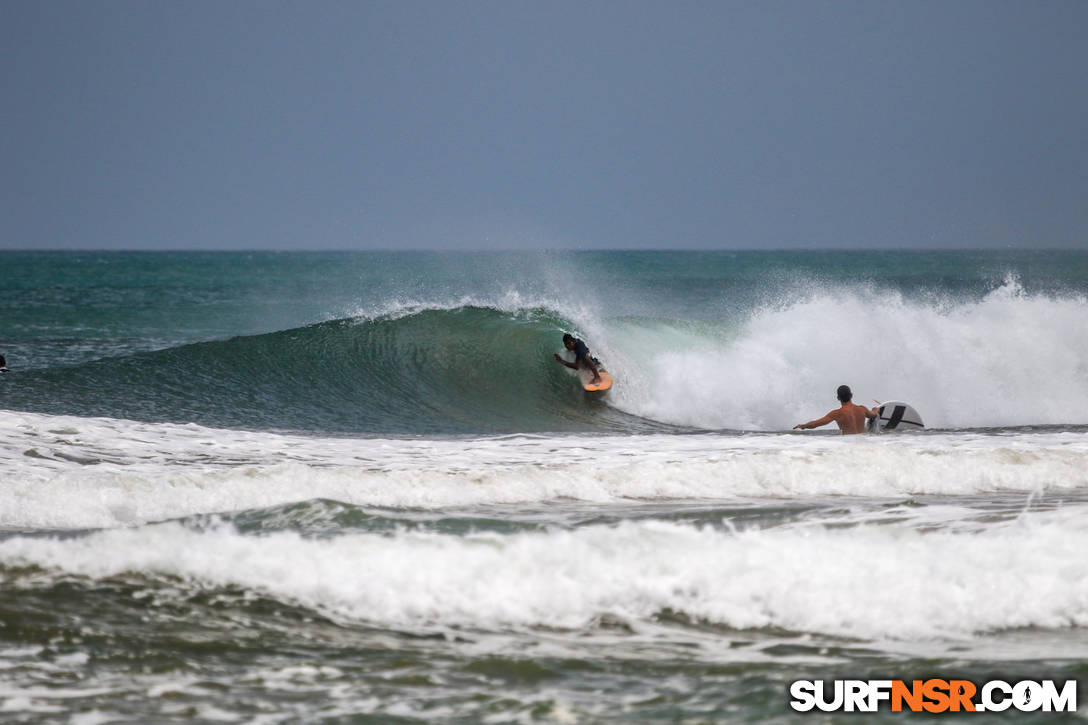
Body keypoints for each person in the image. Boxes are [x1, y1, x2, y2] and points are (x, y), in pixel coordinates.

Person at [794, 385, 878, 435]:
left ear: (838, 398)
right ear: (851, 395)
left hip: (849, 445)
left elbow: (815, 424)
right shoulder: (862, 409)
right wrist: (876, 409)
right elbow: (873, 415)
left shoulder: (836, 414)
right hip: (863, 442)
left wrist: (803, 426)